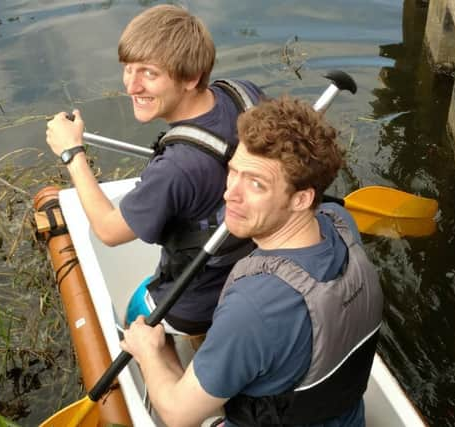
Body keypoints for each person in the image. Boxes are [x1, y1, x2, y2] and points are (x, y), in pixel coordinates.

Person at [120, 96, 384, 427]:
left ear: (302, 199)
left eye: (256, 183)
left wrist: (149, 352)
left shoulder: (253, 309)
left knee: (158, 354)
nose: (230, 193)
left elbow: (176, 414)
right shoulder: (339, 221)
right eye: (233, 172)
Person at [46, 5, 264, 335]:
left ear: (191, 77)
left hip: (200, 300)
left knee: (132, 319)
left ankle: (170, 363)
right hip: (257, 269)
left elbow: (108, 231)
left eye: (149, 73)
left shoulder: (175, 169)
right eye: (128, 69)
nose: (131, 86)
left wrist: (72, 153)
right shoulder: (243, 93)